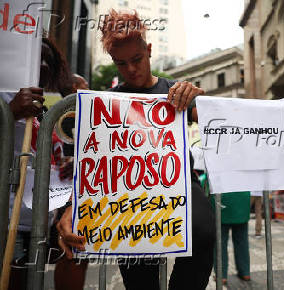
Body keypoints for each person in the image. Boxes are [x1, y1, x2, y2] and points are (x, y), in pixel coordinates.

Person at [56, 9, 215, 290]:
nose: (130, 69)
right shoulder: (105, 104)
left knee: (203, 231)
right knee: (139, 276)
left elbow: (219, 121)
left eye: (137, 59)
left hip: (181, 193)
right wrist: (73, 208)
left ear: (149, 50)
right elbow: (93, 164)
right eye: (121, 63)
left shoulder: (175, 92)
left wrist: (198, 98)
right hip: (132, 208)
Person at [2, 37, 73, 290]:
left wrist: (65, 166)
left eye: (47, 59)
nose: (42, 65)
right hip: (7, 224)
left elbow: (45, 161)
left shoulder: (44, 111)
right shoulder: (5, 97)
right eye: (34, 58)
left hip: (37, 226)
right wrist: (10, 113)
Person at [53, 74, 89, 290]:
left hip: (68, 191)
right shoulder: (70, 115)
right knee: (72, 251)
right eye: (85, 85)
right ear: (76, 87)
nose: (88, 88)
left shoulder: (60, 112)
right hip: (66, 192)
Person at [212, 191, 251, 285]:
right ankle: (245, 272)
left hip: (222, 200)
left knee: (219, 242)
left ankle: (221, 275)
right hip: (242, 200)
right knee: (242, 241)